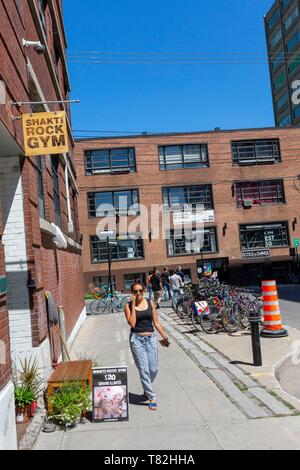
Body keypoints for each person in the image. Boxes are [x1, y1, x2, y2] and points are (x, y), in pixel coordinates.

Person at [124, 281, 170, 411]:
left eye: (140, 291)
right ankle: (151, 397)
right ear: (132, 293)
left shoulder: (150, 303)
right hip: (136, 340)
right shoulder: (127, 306)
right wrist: (133, 305)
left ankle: (146, 387)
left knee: (153, 369)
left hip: (151, 339)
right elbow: (132, 324)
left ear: (143, 290)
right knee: (144, 369)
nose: (138, 293)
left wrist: (164, 336)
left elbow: (156, 321)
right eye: (135, 291)